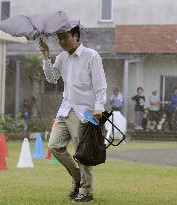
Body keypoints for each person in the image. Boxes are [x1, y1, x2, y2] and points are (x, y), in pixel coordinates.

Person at [39, 23, 107, 203]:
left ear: (76, 36)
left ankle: (86, 190)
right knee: (54, 146)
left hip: (85, 112)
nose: (62, 42)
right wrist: (46, 56)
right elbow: (52, 78)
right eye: (59, 39)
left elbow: (100, 86)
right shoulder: (62, 57)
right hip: (66, 109)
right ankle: (78, 178)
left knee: (82, 152)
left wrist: (98, 107)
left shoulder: (91, 56)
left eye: (65, 37)